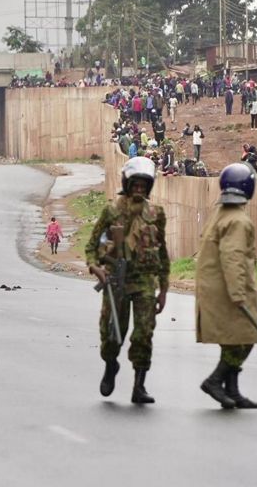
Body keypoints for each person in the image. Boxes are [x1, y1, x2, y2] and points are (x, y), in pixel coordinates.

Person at [85, 157, 170, 404]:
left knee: (144, 332)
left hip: (144, 281)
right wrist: (95, 267)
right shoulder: (112, 211)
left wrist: (164, 289)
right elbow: (91, 245)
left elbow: (162, 251)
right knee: (112, 334)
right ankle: (111, 365)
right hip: (115, 281)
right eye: (135, 184)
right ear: (127, 183)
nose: (139, 189)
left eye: (144, 185)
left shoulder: (156, 214)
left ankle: (139, 385)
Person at [195, 162, 257, 409]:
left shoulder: (220, 215)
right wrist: (237, 294)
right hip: (229, 290)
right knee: (244, 338)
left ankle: (232, 390)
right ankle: (215, 381)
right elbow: (232, 258)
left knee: (235, 340)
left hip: (215, 288)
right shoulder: (238, 220)